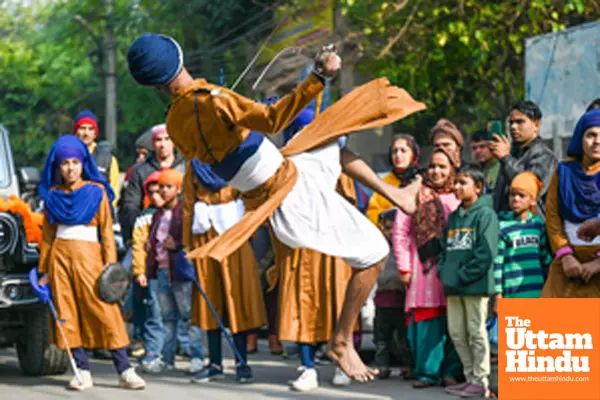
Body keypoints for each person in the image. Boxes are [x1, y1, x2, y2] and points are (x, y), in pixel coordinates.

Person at [127, 33, 426, 381]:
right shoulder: (212, 99)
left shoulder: (176, 124)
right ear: (179, 56)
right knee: (376, 254)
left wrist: (237, 111)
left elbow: (224, 150)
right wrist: (319, 78)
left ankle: (401, 197)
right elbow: (272, 120)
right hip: (289, 191)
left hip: (282, 176)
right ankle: (342, 341)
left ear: (152, 84)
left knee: (329, 139)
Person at [37, 135, 145, 391]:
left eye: (75, 161)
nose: (70, 168)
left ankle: (125, 370)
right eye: (65, 163)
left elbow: (107, 234)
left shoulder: (97, 192)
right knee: (66, 313)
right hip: (59, 260)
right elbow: (48, 237)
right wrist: (44, 272)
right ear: (57, 166)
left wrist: (111, 270)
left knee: (104, 311)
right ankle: (81, 370)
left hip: (91, 258)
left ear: (83, 163)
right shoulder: (52, 196)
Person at [182, 160, 265, 384]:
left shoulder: (236, 156)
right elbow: (188, 202)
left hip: (234, 232)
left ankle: (242, 363)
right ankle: (215, 363)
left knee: (237, 298)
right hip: (205, 232)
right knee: (211, 300)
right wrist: (187, 245)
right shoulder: (195, 163)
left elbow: (251, 195)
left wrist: (248, 231)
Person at [393, 148, 463, 389]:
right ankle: (426, 372)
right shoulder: (416, 195)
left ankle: (451, 372)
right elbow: (400, 232)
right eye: (433, 166)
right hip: (423, 269)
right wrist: (404, 267)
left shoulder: (459, 194)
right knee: (426, 321)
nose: (436, 171)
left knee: (454, 321)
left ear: (452, 168)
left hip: (453, 268)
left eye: (443, 167)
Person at [437, 164, 499, 398]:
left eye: (463, 182)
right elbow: (444, 249)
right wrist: (444, 272)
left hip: (475, 286)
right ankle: (470, 376)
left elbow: (486, 253)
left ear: (479, 187)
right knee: (457, 333)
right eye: (456, 182)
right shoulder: (453, 217)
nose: (457, 187)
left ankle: (482, 380)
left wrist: (462, 275)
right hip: (453, 286)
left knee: (476, 332)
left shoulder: (486, 215)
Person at [145, 169, 205, 373]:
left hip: (180, 272)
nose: (163, 190)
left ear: (179, 189)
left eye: (168, 186)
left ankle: (196, 356)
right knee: (167, 318)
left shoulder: (185, 213)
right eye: (161, 186)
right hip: (162, 271)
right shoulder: (157, 215)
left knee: (188, 316)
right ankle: (167, 357)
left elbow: (193, 241)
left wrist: (178, 244)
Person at [542, 110, 600, 298]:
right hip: (567, 264)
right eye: (591, 135)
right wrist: (565, 255)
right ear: (579, 138)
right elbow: (552, 216)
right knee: (552, 325)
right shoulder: (564, 171)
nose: (597, 141)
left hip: (597, 263)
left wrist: (598, 263)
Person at [119, 124, 186, 244]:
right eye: (158, 140)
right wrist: (136, 233)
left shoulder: (186, 168)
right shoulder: (140, 171)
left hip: (181, 229)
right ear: (152, 143)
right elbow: (130, 205)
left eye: (167, 139)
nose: (162, 144)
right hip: (147, 231)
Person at [489, 101, 558, 216]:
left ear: (536, 125)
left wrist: (505, 158)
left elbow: (527, 188)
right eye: (511, 122)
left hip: (531, 228)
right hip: (507, 226)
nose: (513, 127)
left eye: (520, 122)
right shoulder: (512, 154)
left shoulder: (544, 156)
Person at [493, 172, 552, 303]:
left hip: (537, 292)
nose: (516, 199)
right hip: (512, 295)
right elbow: (497, 263)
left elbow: (544, 257)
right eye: (512, 194)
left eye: (522, 195)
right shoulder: (502, 226)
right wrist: (498, 294)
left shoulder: (537, 224)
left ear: (533, 200)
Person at [130, 171, 166, 372]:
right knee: (154, 312)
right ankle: (152, 350)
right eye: (151, 192)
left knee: (178, 313)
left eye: (159, 191)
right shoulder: (145, 217)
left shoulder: (179, 213)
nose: (155, 196)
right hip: (152, 272)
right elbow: (137, 247)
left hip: (175, 272)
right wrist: (139, 271)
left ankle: (178, 349)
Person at [373, 209, 412, 380]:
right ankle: (382, 366)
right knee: (381, 338)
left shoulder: (406, 247)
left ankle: (409, 366)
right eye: (387, 228)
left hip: (401, 301)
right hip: (382, 301)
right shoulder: (379, 248)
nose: (390, 232)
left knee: (404, 339)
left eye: (394, 228)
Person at [366, 134, 420, 225]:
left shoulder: (420, 180)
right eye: (394, 151)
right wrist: (384, 218)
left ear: (413, 155)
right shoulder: (384, 183)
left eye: (403, 151)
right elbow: (371, 213)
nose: (398, 155)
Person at [73, 109, 120, 206]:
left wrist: (106, 210)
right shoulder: (65, 154)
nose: (86, 133)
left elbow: (114, 190)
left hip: (100, 212)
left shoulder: (108, 159)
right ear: (75, 131)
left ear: (95, 133)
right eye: (82, 128)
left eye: (91, 129)